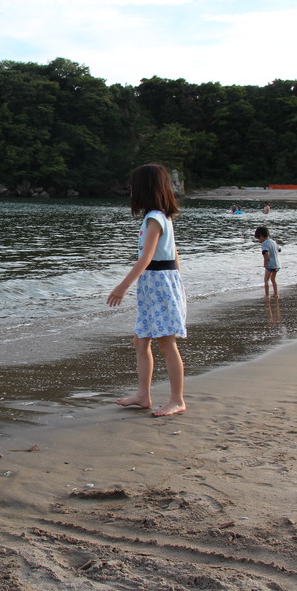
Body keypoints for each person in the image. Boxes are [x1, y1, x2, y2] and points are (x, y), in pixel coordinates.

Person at [107, 164, 187, 417]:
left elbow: (146, 258)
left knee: (166, 343)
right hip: (156, 285)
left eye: (133, 187)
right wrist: (181, 287)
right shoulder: (161, 216)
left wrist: (122, 287)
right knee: (141, 342)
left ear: (145, 189)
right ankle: (143, 395)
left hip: (159, 285)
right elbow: (175, 254)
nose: (131, 192)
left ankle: (177, 399)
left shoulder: (155, 218)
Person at [254, 226, 281, 297]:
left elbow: (266, 253)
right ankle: (275, 293)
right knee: (273, 279)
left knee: (266, 279)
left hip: (270, 264)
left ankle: (267, 294)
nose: (259, 241)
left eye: (258, 239)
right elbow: (279, 250)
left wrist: (265, 262)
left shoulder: (264, 243)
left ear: (261, 236)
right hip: (277, 264)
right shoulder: (273, 242)